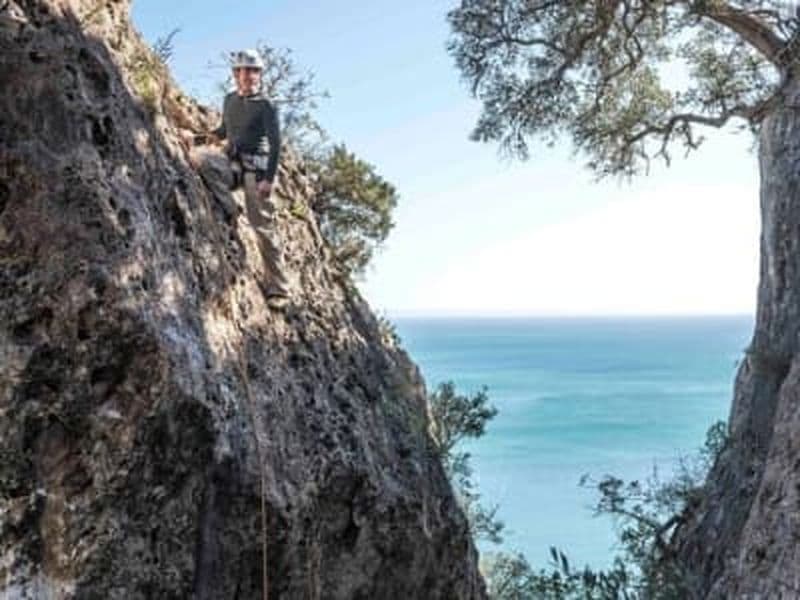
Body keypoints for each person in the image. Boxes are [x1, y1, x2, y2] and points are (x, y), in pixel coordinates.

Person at [185, 49, 290, 308]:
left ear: (259, 75)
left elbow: (276, 145)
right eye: (242, 70)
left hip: (258, 171)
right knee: (200, 159)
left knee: (263, 228)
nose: (247, 75)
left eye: (252, 71)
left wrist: (269, 179)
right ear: (235, 74)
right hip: (233, 163)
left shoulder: (266, 105)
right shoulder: (230, 99)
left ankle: (279, 289)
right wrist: (195, 138)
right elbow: (223, 131)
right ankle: (231, 209)